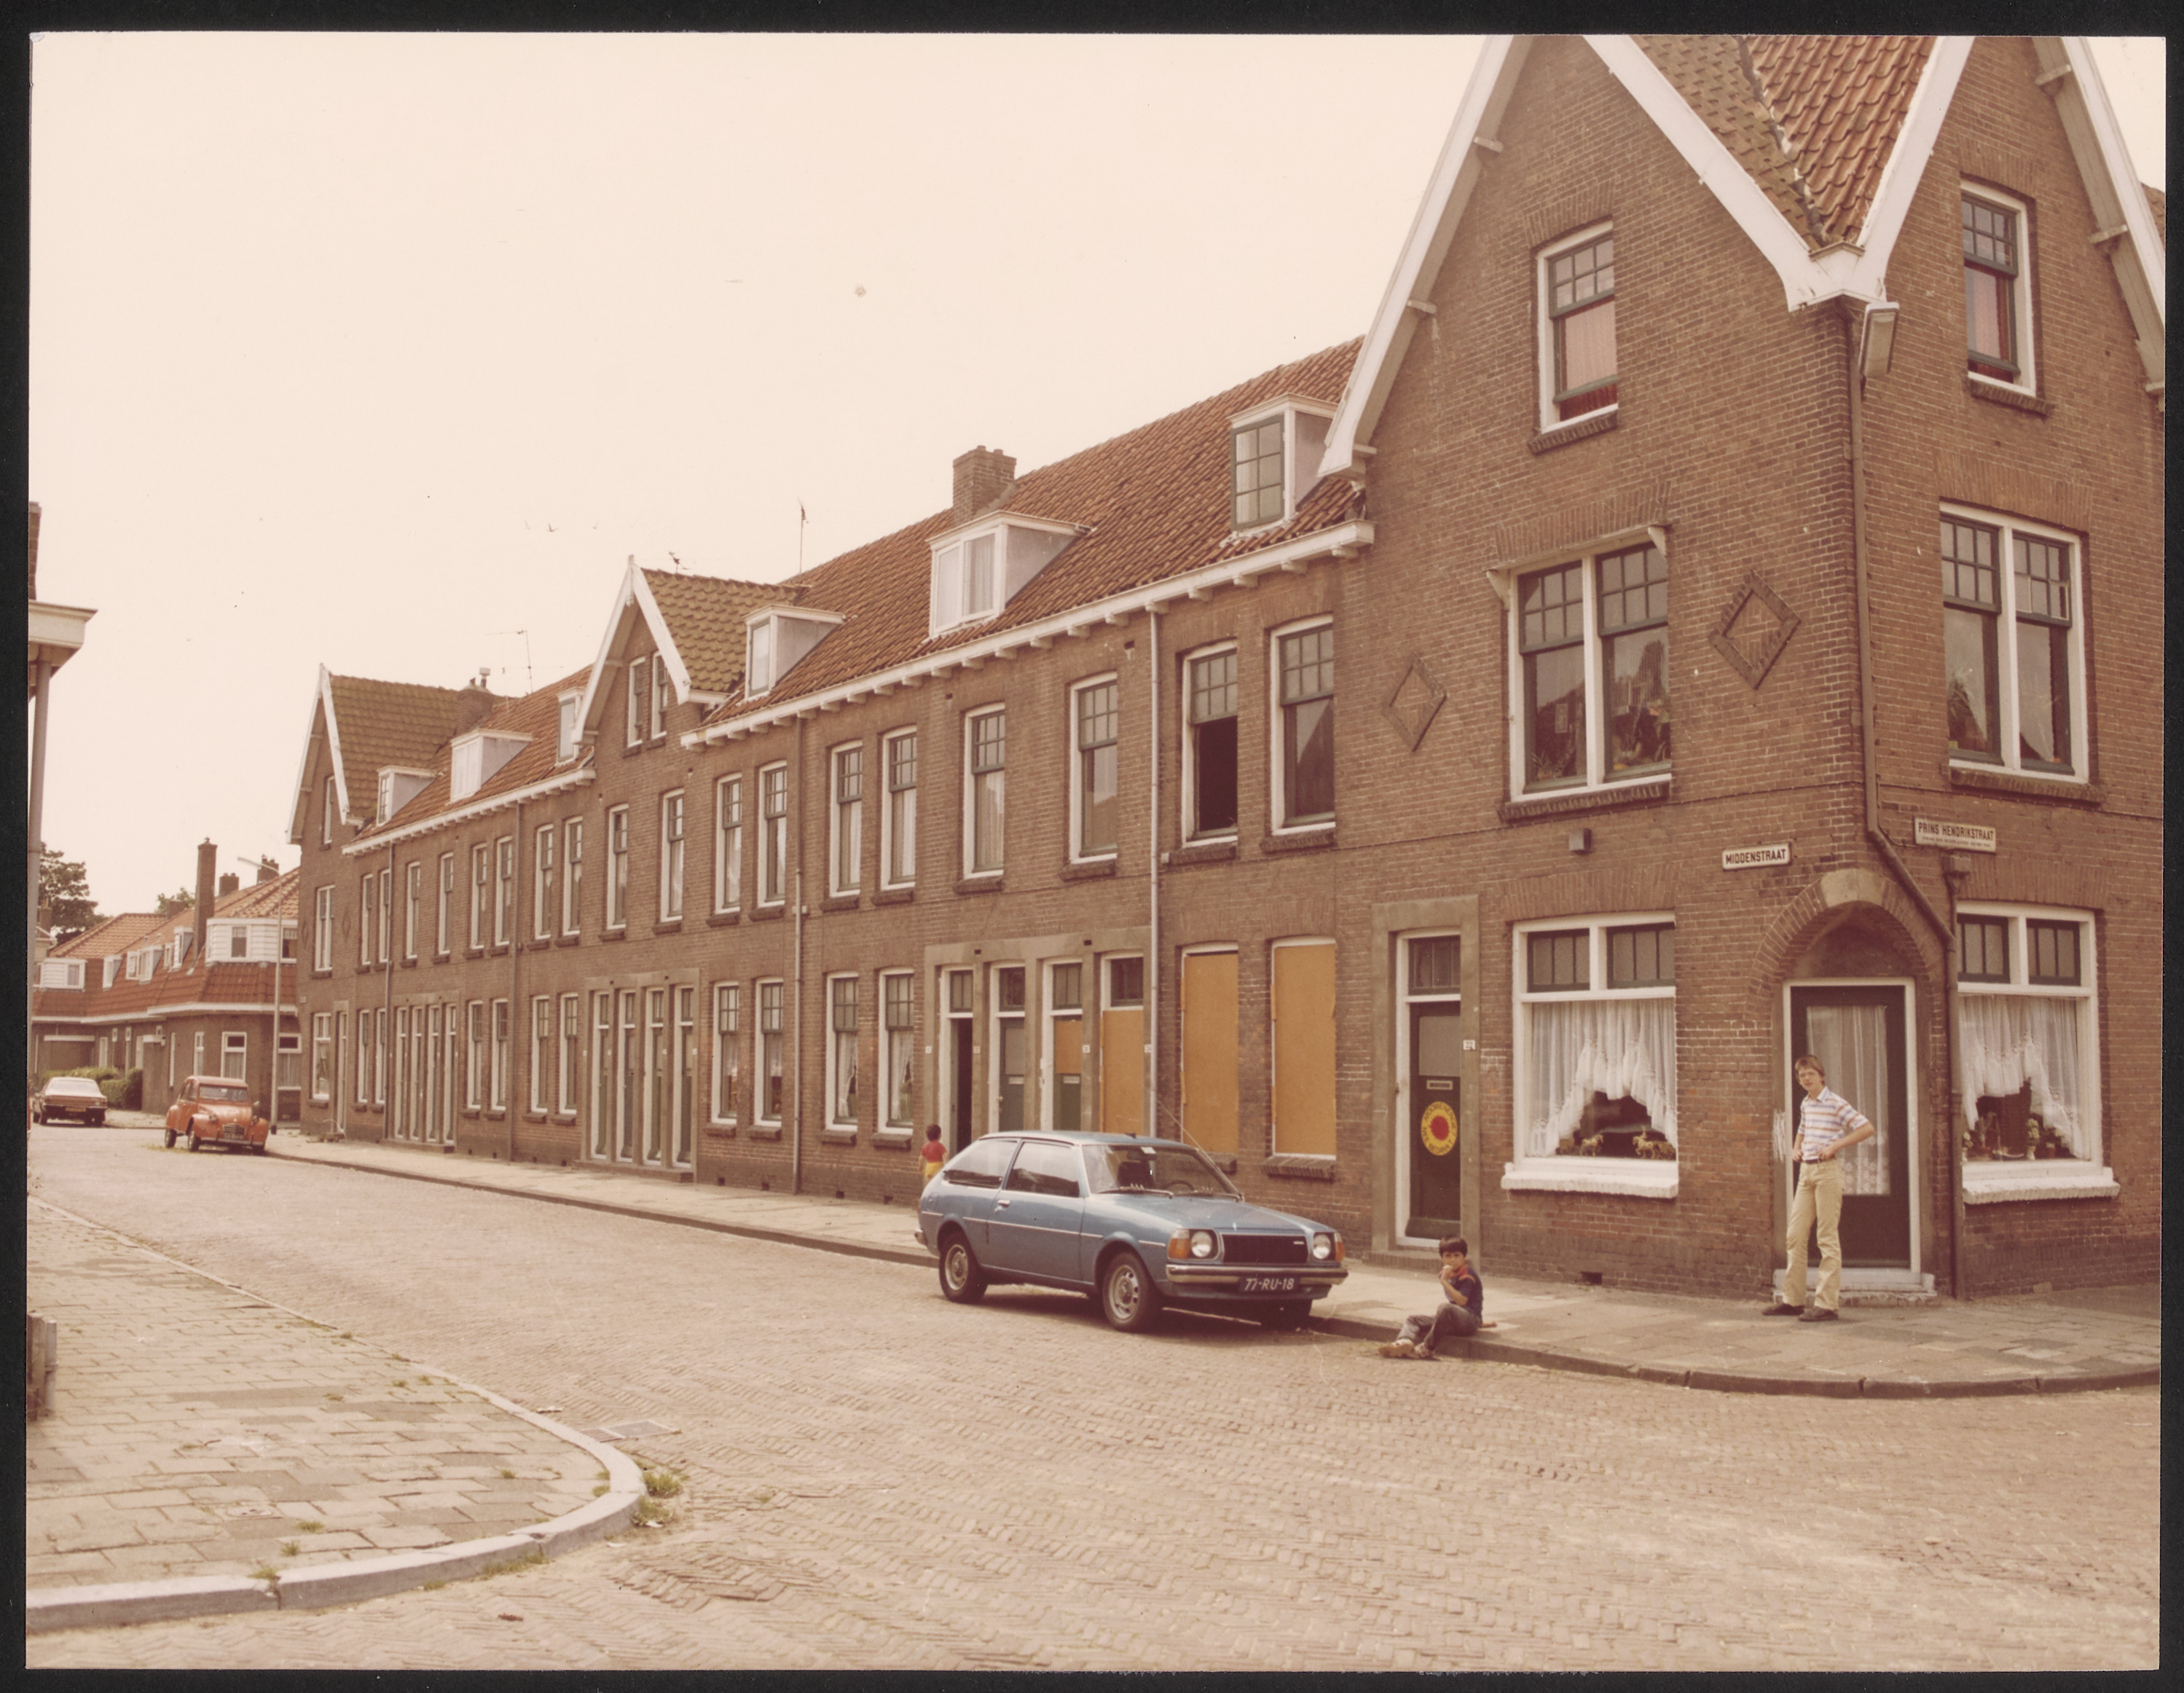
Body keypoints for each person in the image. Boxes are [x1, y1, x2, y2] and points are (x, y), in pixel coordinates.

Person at [1765, 1054, 1875, 1323]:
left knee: (1826, 1238)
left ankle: (1827, 1305)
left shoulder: (1836, 1103)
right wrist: (1795, 1148)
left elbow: (1867, 1128)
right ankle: (1793, 1301)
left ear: (1821, 1076)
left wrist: (1836, 1145)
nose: (1806, 1079)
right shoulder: (1806, 1103)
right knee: (1795, 1235)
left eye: (1810, 1074)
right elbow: (1803, 1129)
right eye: (1802, 1075)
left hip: (1827, 1173)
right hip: (1807, 1173)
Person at [1378, 1236, 1496, 1359]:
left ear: (1464, 1257)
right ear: (1442, 1258)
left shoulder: (1467, 1275)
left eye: (1457, 1256)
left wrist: (1445, 1282)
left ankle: (1428, 1348)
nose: (1453, 1260)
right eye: (1448, 1256)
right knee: (1413, 1320)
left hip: (1470, 1321)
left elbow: (1462, 1301)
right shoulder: (1445, 1274)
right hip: (1455, 1320)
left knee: (1444, 1308)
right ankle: (1404, 1342)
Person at [919, 1123, 948, 1187]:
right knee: (938, 1184)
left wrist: (920, 1167)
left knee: (930, 1185)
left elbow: (921, 1158)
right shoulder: (939, 1145)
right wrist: (948, 1165)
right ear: (939, 1135)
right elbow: (946, 1155)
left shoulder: (925, 1146)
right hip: (938, 1167)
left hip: (929, 1168)